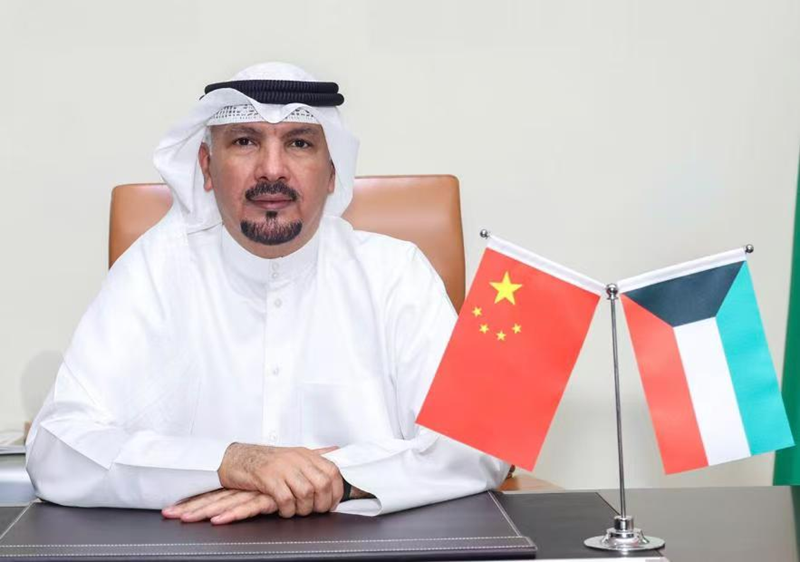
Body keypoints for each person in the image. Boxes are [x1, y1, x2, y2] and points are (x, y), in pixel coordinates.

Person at [25, 62, 508, 524]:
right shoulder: (154, 270)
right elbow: (56, 449)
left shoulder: (395, 273)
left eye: (299, 143)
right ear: (207, 167)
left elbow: (482, 442)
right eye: (244, 141)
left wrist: (339, 479)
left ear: (333, 171)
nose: (271, 169)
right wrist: (229, 462)